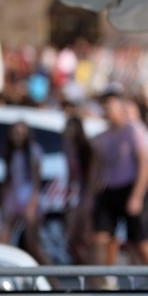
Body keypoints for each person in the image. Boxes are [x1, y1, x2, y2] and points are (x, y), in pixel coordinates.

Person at [89, 84, 148, 288]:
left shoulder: (133, 130)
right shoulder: (104, 136)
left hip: (132, 188)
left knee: (140, 241)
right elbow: (97, 168)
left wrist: (137, 196)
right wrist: (89, 196)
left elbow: (145, 165)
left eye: (108, 105)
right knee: (100, 237)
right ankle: (98, 285)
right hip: (111, 190)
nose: (105, 110)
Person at [0, 120, 49, 265]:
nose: (17, 136)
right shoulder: (10, 152)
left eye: (21, 133)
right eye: (14, 133)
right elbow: (7, 180)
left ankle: (53, 281)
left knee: (33, 245)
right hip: (13, 198)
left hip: (28, 199)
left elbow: (36, 181)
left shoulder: (33, 151)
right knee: (3, 239)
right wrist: (3, 203)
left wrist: (32, 205)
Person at [62, 112, 95, 265]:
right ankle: (88, 270)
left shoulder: (85, 149)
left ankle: (93, 274)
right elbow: (70, 177)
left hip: (86, 196)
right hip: (77, 196)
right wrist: (67, 198)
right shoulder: (69, 149)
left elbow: (91, 177)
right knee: (72, 239)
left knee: (83, 238)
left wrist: (88, 201)